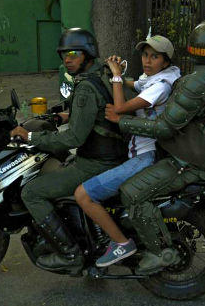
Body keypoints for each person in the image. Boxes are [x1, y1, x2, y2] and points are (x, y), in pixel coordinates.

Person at [104, 15, 205, 274]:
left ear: (195, 46)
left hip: (187, 161)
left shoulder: (197, 82)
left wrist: (120, 120)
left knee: (131, 193)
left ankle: (159, 252)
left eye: (154, 56)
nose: (148, 60)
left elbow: (163, 128)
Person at [9, 28, 126, 272]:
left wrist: (32, 136)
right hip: (111, 154)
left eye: (73, 53)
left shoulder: (85, 87)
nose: (67, 60)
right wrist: (63, 116)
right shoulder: (100, 76)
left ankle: (70, 253)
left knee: (32, 192)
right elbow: (92, 115)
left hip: (95, 162)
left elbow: (73, 138)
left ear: (88, 54)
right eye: (64, 54)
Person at [73, 35, 181, 267]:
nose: (147, 61)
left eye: (155, 57)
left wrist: (116, 76)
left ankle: (122, 243)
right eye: (144, 55)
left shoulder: (161, 87)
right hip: (141, 151)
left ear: (165, 61)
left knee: (83, 195)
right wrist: (120, 73)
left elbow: (120, 109)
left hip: (146, 155)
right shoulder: (157, 78)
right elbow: (134, 84)